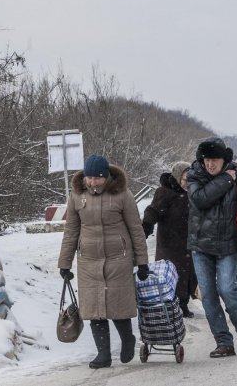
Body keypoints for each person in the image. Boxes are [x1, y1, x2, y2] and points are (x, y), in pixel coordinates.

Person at [59, 154, 149, 369]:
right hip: (88, 260)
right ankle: (103, 354)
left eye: (98, 178)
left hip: (119, 259)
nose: (93, 183)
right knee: (94, 309)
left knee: (117, 306)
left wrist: (142, 261)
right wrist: (65, 263)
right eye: (89, 178)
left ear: (107, 177)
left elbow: (136, 229)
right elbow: (71, 230)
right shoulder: (76, 196)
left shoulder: (122, 195)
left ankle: (128, 340)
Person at [187, 137, 237, 359]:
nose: (210, 164)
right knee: (209, 297)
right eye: (207, 160)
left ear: (224, 160)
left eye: (215, 160)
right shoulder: (195, 175)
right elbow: (200, 199)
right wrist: (224, 181)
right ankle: (223, 342)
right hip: (200, 247)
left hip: (228, 246)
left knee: (227, 290)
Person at [142, 161, 198, 318]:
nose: (188, 183)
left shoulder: (193, 193)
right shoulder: (164, 193)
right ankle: (171, 306)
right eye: (186, 179)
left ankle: (183, 305)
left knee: (188, 275)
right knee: (171, 275)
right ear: (178, 176)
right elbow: (153, 210)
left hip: (188, 242)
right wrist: (147, 224)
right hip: (169, 243)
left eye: (191, 179)